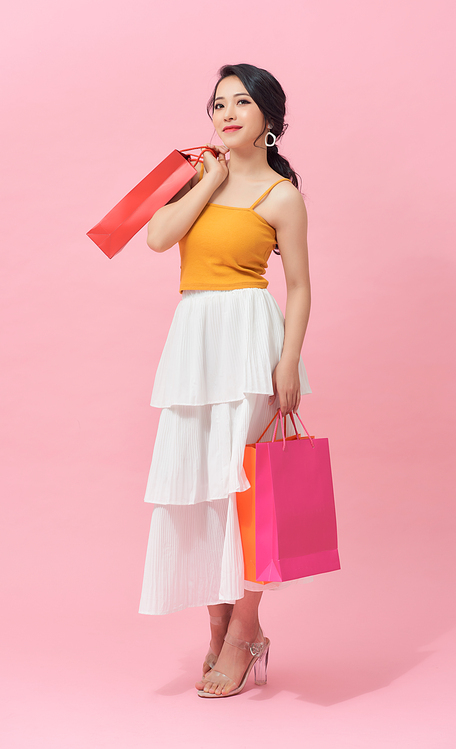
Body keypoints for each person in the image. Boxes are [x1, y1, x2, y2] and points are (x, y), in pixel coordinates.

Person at [139, 63, 311, 698]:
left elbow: (300, 287)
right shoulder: (198, 179)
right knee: (202, 490)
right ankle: (216, 630)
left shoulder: (281, 196)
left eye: (242, 103)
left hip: (248, 343)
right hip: (194, 343)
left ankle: (243, 632)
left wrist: (288, 361)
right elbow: (158, 238)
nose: (227, 114)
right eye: (218, 104)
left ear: (269, 118)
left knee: (248, 494)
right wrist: (207, 181)